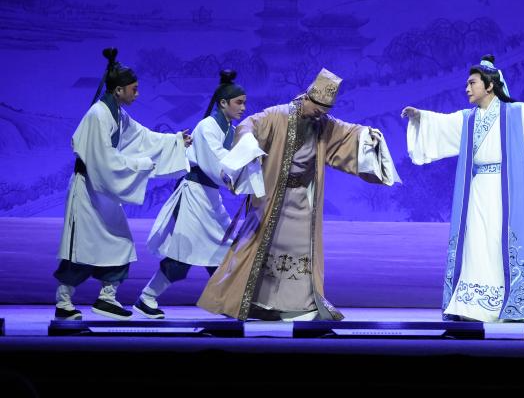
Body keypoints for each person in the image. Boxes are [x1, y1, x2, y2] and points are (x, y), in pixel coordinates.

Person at [198, 68, 400, 321]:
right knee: (258, 248)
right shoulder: (278, 115)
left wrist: (367, 137)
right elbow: (250, 124)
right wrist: (248, 140)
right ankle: (256, 303)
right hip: (273, 198)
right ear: (307, 98)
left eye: (324, 111)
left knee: (301, 251)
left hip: (302, 200)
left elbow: (347, 133)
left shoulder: (322, 123)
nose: (320, 115)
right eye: (317, 109)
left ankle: (299, 306)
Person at [402, 54, 524, 323]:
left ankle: (515, 303)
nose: (467, 88)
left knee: (503, 241)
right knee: (475, 241)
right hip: (477, 190)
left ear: (489, 86)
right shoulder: (468, 118)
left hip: (505, 189)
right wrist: (421, 118)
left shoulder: (515, 113)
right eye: (467, 83)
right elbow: (443, 125)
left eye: (472, 83)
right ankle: (472, 305)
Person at [54, 48, 191, 320]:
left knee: (120, 242)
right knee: (83, 246)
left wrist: (175, 141)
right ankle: (63, 301)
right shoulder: (98, 115)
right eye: (134, 89)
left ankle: (107, 298)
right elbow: (104, 160)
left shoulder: (117, 113)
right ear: (118, 90)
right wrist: (142, 165)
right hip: (87, 189)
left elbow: (143, 138)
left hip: (103, 191)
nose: (137, 94)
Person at [138, 70, 248, 318]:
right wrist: (240, 175)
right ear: (223, 103)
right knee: (184, 253)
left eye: (244, 102)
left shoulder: (229, 130)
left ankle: (226, 302)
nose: (243, 107)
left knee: (222, 251)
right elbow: (218, 163)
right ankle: (147, 298)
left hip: (209, 196)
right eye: (239, 102)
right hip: (194, 196)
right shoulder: (207, 127)